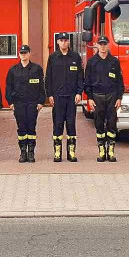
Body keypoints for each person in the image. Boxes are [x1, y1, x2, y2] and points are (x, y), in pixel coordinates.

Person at [85, 36, 125, 162]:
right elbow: (87, 82)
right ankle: (102, 151)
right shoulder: (92, 62)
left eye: (105, 44)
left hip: (112, 96)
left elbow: (120, 81)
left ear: (108, 45)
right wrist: (90, 98)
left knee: (112, 124)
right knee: (99, 124)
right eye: (100, 44)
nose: (102, 46)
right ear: (97, 45)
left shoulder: (114, 61)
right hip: (97, 97)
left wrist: (119, 97)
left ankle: (111, 151)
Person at [45, 33, 84, 162]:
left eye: (65, 40)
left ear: (69, 42)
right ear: (57, 42)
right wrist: (49, 94)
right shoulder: (53, 58)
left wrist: (79, 92)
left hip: (72, 97)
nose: (63, 43)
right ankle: (57, 153)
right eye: (61, 40)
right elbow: (48, 78)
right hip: (57, 97)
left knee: (71, 124)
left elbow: (80, 77)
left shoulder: (75, 57)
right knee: (58, 124)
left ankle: (71, 153)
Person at [5, 44, 46, 163]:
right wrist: (10, 102)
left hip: (33, 103)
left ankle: (31, 153)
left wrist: (41, 101)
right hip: (19, 103)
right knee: (21, 128)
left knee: (31, 127)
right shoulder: (13, 70)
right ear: (19, 55)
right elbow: (9, 87)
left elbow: (41, 86)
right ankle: (23, 153)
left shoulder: (37, 69)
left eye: (25, 53)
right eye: (21, 53)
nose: (23, 55)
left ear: (29, 54)